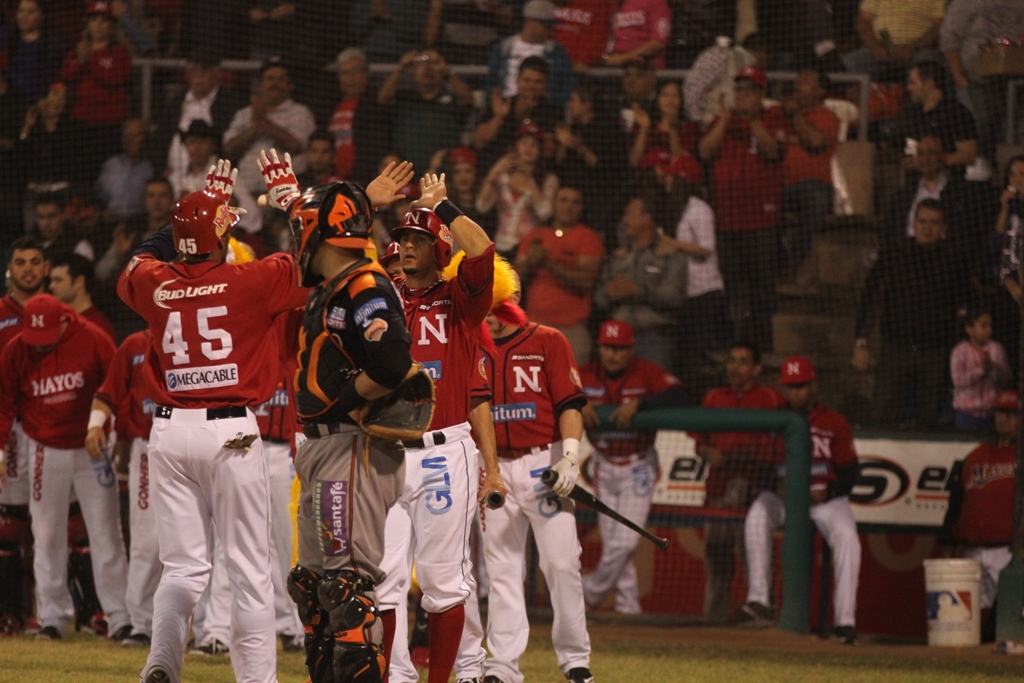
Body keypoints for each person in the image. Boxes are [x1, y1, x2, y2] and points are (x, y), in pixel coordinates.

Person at [117, 159, 310, 683]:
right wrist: (292, 200)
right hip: (233, 432)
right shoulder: (253, 279)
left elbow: (139, 257)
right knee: (249, 569)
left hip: (169, 432)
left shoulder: (154, 282)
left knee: (182, 567)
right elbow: (318, 260)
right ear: (222, 237)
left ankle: (161, 663)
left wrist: (199, 205)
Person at [257, 148, 423, 683]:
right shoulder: (333, 285)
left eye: (298, 230)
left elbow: (394, 361)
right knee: (313, 586)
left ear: (318, 236)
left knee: (346, 588)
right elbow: (326, 214)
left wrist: (350, 398)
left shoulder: (365, 284)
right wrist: (319, 199)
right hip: (322, 447)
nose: (293, 240)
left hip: (352, 446)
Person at [378, 177, 507, 683]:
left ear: (439, 249)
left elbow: (484, 249)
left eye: (417, 241)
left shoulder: (460, 300)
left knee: (442, 580)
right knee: (384, 581)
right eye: (403, 241)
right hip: (385, 449)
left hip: (441, 451)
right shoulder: (381, 298)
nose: (407, 249)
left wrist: (443, 207)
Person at [479, 288, 594, 683]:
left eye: (494, 308)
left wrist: (571, 455)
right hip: (493, 467)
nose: (487, 317)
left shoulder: (548, 340)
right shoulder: (471, 345)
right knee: (502, 569)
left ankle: (576, 660)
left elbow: (570, 404)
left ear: (511, 302)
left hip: (542, 464)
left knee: (562, 563)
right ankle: (503, 666)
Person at [0, 293, 129, 641]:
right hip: (43, 447)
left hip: (92, 446)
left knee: (106, 532)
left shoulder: (92, 338)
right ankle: (53, 617)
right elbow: (4, 401)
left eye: (46, 339)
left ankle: (119, 616)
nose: (39, 347)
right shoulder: (16, 349)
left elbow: (117, 384)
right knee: (46, 533)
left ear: (63, 323)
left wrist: (114, 431)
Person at [737, 356, 861, 645]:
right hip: (786, 497)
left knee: (848, 536)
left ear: (813, 384)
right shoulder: (775, 420)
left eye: (801, 386)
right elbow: (760, 467)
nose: (796, 393)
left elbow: (851, 472)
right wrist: (776, 486)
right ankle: (759, 601)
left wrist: (828, 493)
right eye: (791, 387)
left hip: (825, 499)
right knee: (757, 513)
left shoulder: (833, 421)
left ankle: (845, 623)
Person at [579, 319, 685, 614]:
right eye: (606, 347)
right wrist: (576, 399)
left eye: (618, 348)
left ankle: (589, 592)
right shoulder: (585, 374)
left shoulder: (646, 372)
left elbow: (681, 395)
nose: (611, 354)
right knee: (614, 541)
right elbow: (554, 390)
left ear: (631, 349)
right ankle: (628, 607)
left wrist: (642, 404)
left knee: (624, 542)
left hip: (636, 465)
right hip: (603, 463)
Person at [852, 198, 969, 428]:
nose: (927, 228)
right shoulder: (894, 254)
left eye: (934, 223)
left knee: (930, 421)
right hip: (895, 351)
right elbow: (869, 297)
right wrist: (860, 343)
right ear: (913, 223)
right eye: (922, 221)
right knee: (883, 418)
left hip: (935, 354)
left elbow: (966, 306)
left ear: (944, 228)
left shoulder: (956, 261)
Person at [694, 341, 786, 623]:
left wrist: (748, 454)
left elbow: (782, 446)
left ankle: (761, 616)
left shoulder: (770, 398)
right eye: (732, 360)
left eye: (743, 361)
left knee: (753, 562)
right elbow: (699, 444)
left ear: (757, 368)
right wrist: (709, 452)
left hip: (753, 490)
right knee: (718, 567)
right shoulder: (713, 397)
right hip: (719, 492)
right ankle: (714, 622)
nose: (735, 367)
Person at [698, 66, 786, 353]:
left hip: (761, 220)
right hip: (727, 220)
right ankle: (735, 346)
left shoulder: (772, 117)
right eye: (740, 89)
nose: (743, 95)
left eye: (749, 90)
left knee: (761, 288)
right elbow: (705, 151)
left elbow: (772, 150)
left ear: (761, 94)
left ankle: (764, 347)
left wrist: (753, 119)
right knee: (732, 289)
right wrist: (725, 119)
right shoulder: (724, 120)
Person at [85, 327, 157, 646]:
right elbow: (108, 393)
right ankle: (141, 624)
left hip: (195, 441)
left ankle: (213, 630)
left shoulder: (196, 333)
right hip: (148, 446)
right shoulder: (134, 344)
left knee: (204, 541)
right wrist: (95, 427)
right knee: (145, 539)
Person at [941, 389, 1018, 643]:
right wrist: (948, 538)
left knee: (1005, 626)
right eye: (1000, 413)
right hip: (972, 551)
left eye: (1011, 414)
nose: (1004, 419)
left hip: (1007, 552)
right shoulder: (977, 455)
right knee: (965, 624)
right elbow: (956, 501)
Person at [0, 237, 49, 634]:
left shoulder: (57, 314)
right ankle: (11, 612)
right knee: (8, 526)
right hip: (9, 429)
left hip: (49, 428)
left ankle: (48, 613)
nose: (28, 269)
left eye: (35, 262)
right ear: (9, 269)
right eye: (20, 262)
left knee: (52, 525)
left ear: (46, 268)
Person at [593, 189, 687, 370]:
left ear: (647, 218)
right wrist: (609, 292)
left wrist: (639, 291)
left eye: (629, 214)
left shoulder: (670, 254)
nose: (624, 221)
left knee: (655, 395)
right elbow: (599, 299)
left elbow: (675, 297)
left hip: (654, 338)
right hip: (617, 338)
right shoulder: (618, 257)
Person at [515, 185, 604, 364]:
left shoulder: (588, 238)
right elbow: (512, 282)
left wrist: (547, 262)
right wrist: (530, 263)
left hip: (572, 330)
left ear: (581, 208)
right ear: (553, 204)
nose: (568, 207)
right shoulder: (534, 236)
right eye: (563, 200)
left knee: (572, 388)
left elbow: (586, 281)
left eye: (575, 202)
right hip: (534, 327)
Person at [941, 1, 1024, 176]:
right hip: (974, 80)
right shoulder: (966, 3)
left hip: (1015, 82)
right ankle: (979, 177)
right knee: (979, 125)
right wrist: (958, 76)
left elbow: (1005, 39)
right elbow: (949, 38)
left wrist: (1005, 43)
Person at [223, 60, 316, 196]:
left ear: (290, 86)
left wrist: (264, 122)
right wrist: (254, 128)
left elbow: (296, 145)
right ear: (261, 85)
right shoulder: (244, 114)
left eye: (281, 79)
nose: (274, 84)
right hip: (247, 190)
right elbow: (229, 149)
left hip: (284, 193)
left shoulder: (300, 112)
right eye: (270, 79)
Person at [377, 48, 474, 173]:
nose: (428, 69)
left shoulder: (451, 99)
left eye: (433, 64)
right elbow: (383, 99)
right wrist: (401, 68)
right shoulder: (405, 98)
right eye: (422, 64)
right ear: (414, 72)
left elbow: (467, 99)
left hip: (444, 174)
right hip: (406, 174)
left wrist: (447, 71)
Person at [781, 68, 839, 275]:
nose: (798, 82)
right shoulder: (778, 115)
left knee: (816, 197)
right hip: (778, 185)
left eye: (805, 80)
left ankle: (795, 266)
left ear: (820, 91)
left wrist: (795, 114)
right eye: (799, 77)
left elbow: (815, 141)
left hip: (812, 186)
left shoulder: (826, 117)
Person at [153, 51, 244, 180]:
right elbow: (159, 140)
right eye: (194, 71)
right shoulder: (176, 102)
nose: (199, 76)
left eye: (204, 71)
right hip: (174, 177)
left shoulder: (230, 104)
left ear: (217, 74)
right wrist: (162, 170)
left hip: (216, 178)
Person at [476, 123, 559, 258]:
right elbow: (482, 206)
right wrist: (493, 173)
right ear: (516, 147)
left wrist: (530, 181)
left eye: (534, 145)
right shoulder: (503, 177)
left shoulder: (548, 180)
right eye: (524, 143)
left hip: (528, 250)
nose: (528, 148)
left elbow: (545, 213)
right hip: (500, 246)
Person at [553, 83, 627, 231]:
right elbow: (559, 164)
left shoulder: (607, 128)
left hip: (599, 195)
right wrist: (562, 143)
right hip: (573, 191)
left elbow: (604, 166)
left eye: (573, 100)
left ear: (586, 105)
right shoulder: (575, 127)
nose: (569, 104)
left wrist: (577, 146)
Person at [474, 55, 563, 168]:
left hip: (535, 172)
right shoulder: (502, 104)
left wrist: (528, 116)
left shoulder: (553, 111)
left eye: (538, 82)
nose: (531, 86)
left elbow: (549, 153)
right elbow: (479, 142)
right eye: (526, 80)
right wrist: (499, 117)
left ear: (545, 85)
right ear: (517, 80)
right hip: (496, 167)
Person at [486, 0, 576, 107]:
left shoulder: (556, 51)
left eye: (550, 27)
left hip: (543, 110)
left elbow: (569, 85)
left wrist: (553, 100)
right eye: (545, 25)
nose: (549, 30)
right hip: (507, 109)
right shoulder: (503, 48)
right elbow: (491, 83)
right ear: (529, 21)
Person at [328, 48, 393, 186]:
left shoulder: (374, 104)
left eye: (355, 72)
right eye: (345, 73)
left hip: (366, 180)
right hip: (336, 181)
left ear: (366, 74)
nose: (350, 78)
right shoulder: (331, 106)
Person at [902, 61, 978, 178]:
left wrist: (934, 161)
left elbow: (969, 155)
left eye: (912, 82)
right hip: (918, 184)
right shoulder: (913, 114)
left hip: (950, 184)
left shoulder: (957, 113)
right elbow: (910, 151)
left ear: (928, 84)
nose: (908, 88)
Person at [841, 0, 945, 80]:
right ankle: (853, 107)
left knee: (929, 63)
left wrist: (912, 47)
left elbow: (940, 26)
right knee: (846, 63)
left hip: (918, 50)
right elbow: (863, 21)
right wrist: (875, 48)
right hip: (881, 48)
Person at [950, 309, 1011, 431]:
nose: (989, 330)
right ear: (969, 329)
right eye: (983, 326)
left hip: (992, 414)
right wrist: (982, 371)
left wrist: (992, 367)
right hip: (966, 415)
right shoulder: (959, 351)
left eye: (990, 326)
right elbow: (958, 381)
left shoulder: (996, 349)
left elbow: (1006, 379)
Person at [0, 0, 69, 103]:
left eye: (31, 12)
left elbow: (60, 80)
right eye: (21, 10)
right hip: (7, 101)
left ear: (42, 16)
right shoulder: (5, 34)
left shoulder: (55, 44)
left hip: (38, 102)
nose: (24, 16)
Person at [96, 117, 155, 222]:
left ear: (146, 138)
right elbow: (99, 196)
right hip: (110, 221)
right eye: (127, 134)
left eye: (136, 134)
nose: (131, 138)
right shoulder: (110, 165)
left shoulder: (152, 167)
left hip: (140, 221)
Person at [47, 253, 116, 340]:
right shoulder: (56, 321)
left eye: (58, 280)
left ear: (79, 282)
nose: (51, 286)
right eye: (51, 280)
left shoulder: (99, 327)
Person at [602, 0, 672, 68]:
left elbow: (659, 42)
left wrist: (625, 58)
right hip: (613, 68)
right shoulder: (612, 5)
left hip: (645, 68)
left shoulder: (656, 2)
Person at [551, 0, 615, 71]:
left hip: (577, 66)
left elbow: (598, 35)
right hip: (548, 59)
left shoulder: (600, 3)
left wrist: (585, 61)